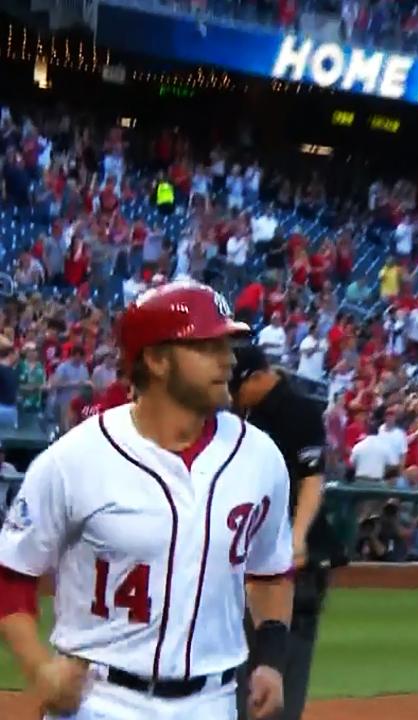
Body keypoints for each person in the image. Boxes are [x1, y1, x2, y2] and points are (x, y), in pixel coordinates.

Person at [0, 280, 293, 719]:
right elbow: (11, 574)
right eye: (207, 346)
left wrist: (270, 661)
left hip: (211, 703)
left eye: (227, 345)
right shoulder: (74, 459)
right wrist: (39, 668)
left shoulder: (261, 458)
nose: (229, 360)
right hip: (100, 701)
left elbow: (271, 571)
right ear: (155, 360)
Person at [229, 344, 342, 720]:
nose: (231, 398)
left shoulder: (298, 410)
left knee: (282, 671)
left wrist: (297, 538)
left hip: (295, 560)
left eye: (235, 388)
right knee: (242, 670)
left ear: (257, 378)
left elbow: (312, 479)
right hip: (250, 557)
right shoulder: (245, 416)